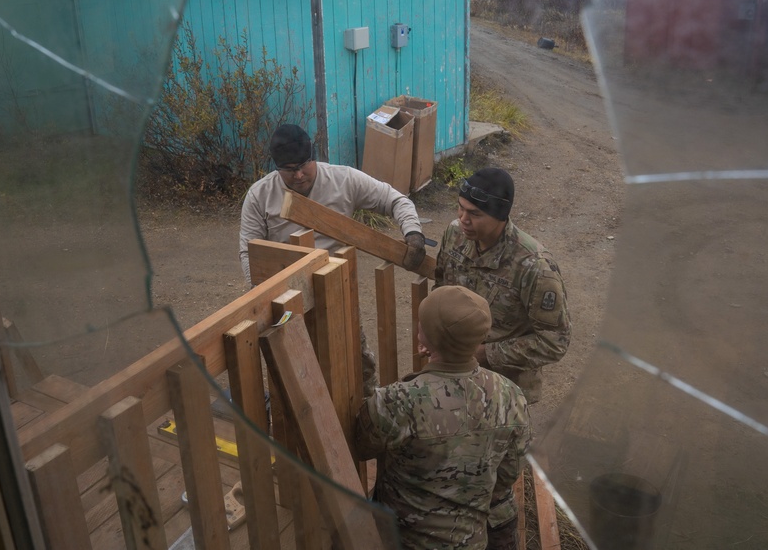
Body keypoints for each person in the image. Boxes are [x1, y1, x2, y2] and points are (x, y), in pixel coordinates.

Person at [238, 123, 427, 393]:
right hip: (285, 298)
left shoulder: (343, 180)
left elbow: (396, 200)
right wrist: (264, 294)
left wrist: (413, 233)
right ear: (277, 167)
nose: (300, 175)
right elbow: (249, 251)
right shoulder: (260, 196)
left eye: (304, 165)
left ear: (313, 157)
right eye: (289, 170)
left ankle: (366, 410)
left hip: (337, 292)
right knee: (294, 375)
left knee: (358, 367)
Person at [354, 285, 531, 550]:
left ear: (424, 338)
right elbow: (506, 476)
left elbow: (360, 445)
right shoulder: (511, 395)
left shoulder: (398, 402)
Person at [434, 167, 570, 403]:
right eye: (460, 208)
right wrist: (432, 332)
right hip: (455, 372)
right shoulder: (455, 234)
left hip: (506, 390)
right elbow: (440, 288)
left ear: (500, 216)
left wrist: (485, 354)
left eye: (474, 214)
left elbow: (555, 340)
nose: (463, 219)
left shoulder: (534, 266)